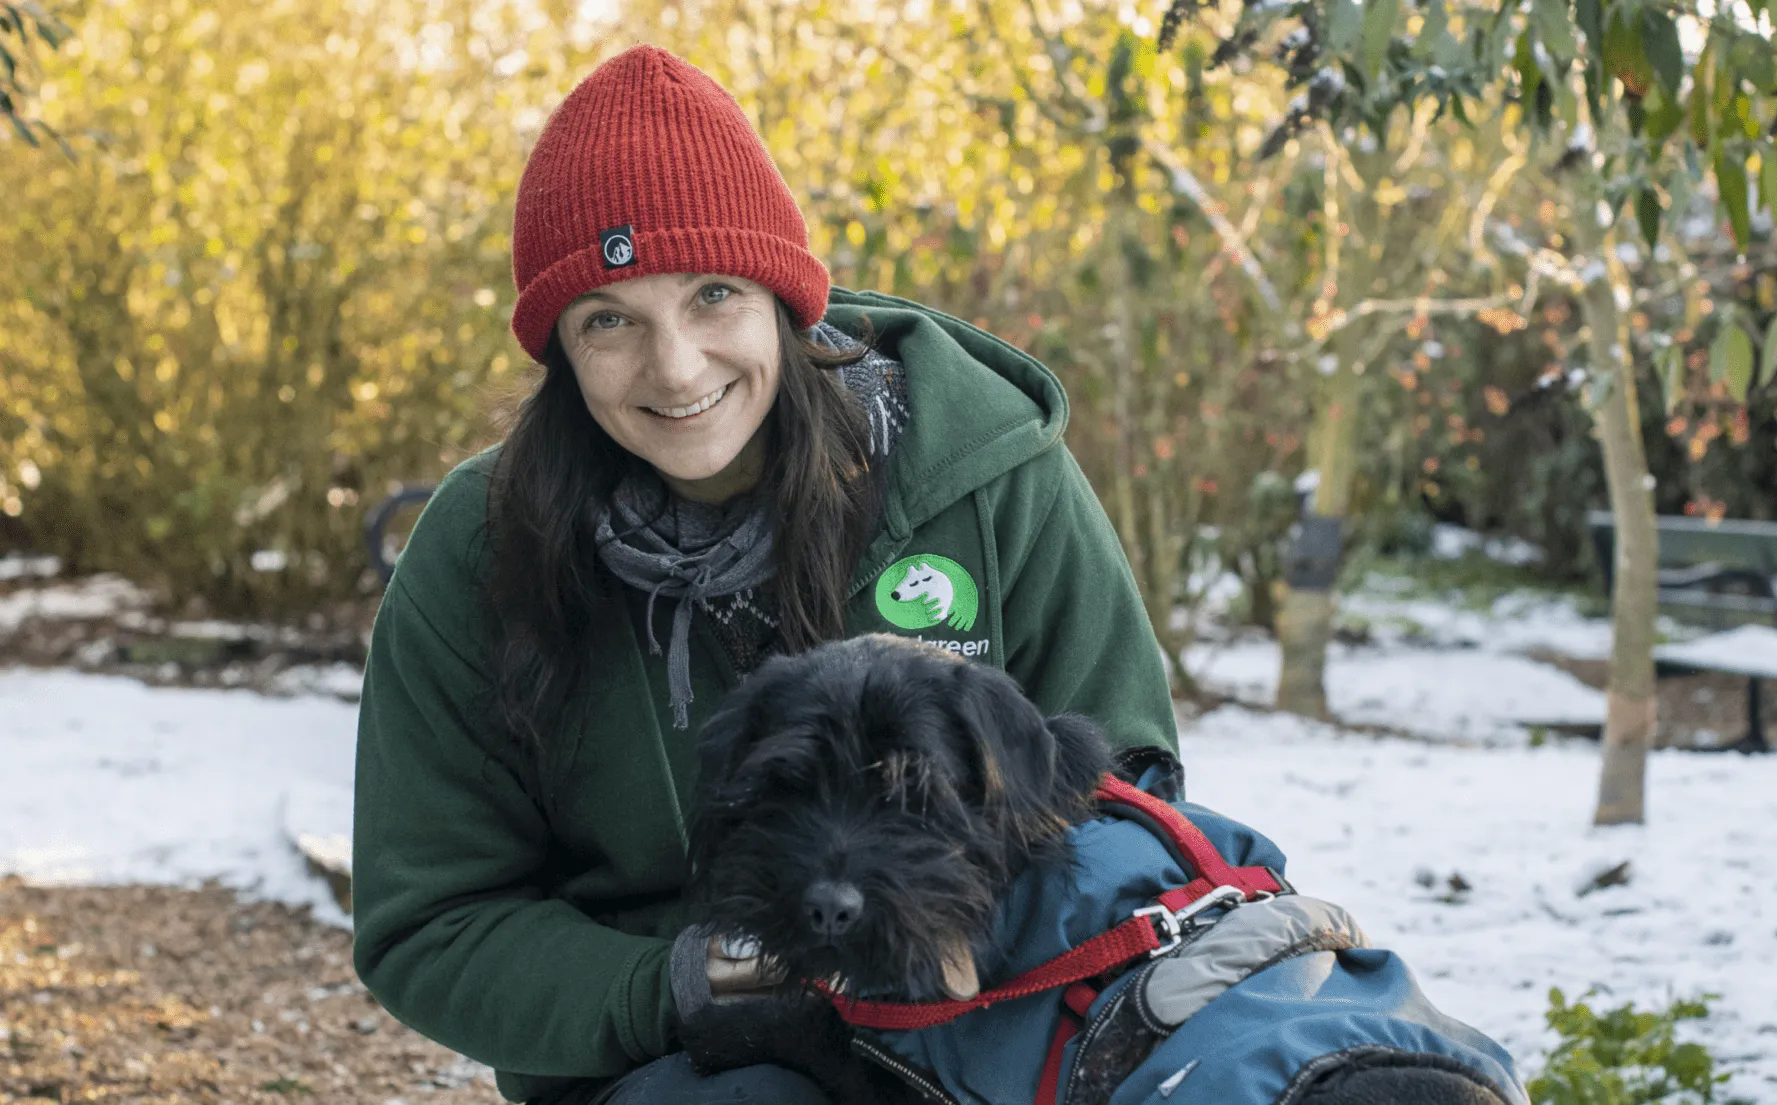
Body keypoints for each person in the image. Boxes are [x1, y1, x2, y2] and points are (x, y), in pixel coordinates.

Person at [350, 43, 1179, 1105]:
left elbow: (1130, 789)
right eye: (611, 319)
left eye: (713, 297)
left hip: (1001, 1012)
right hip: (675, 1055)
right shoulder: (480, 545)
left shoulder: (988, 473)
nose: (677, 367)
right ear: (558, 344)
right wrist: (682, 984)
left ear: (781, 297)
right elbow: (433, 921)